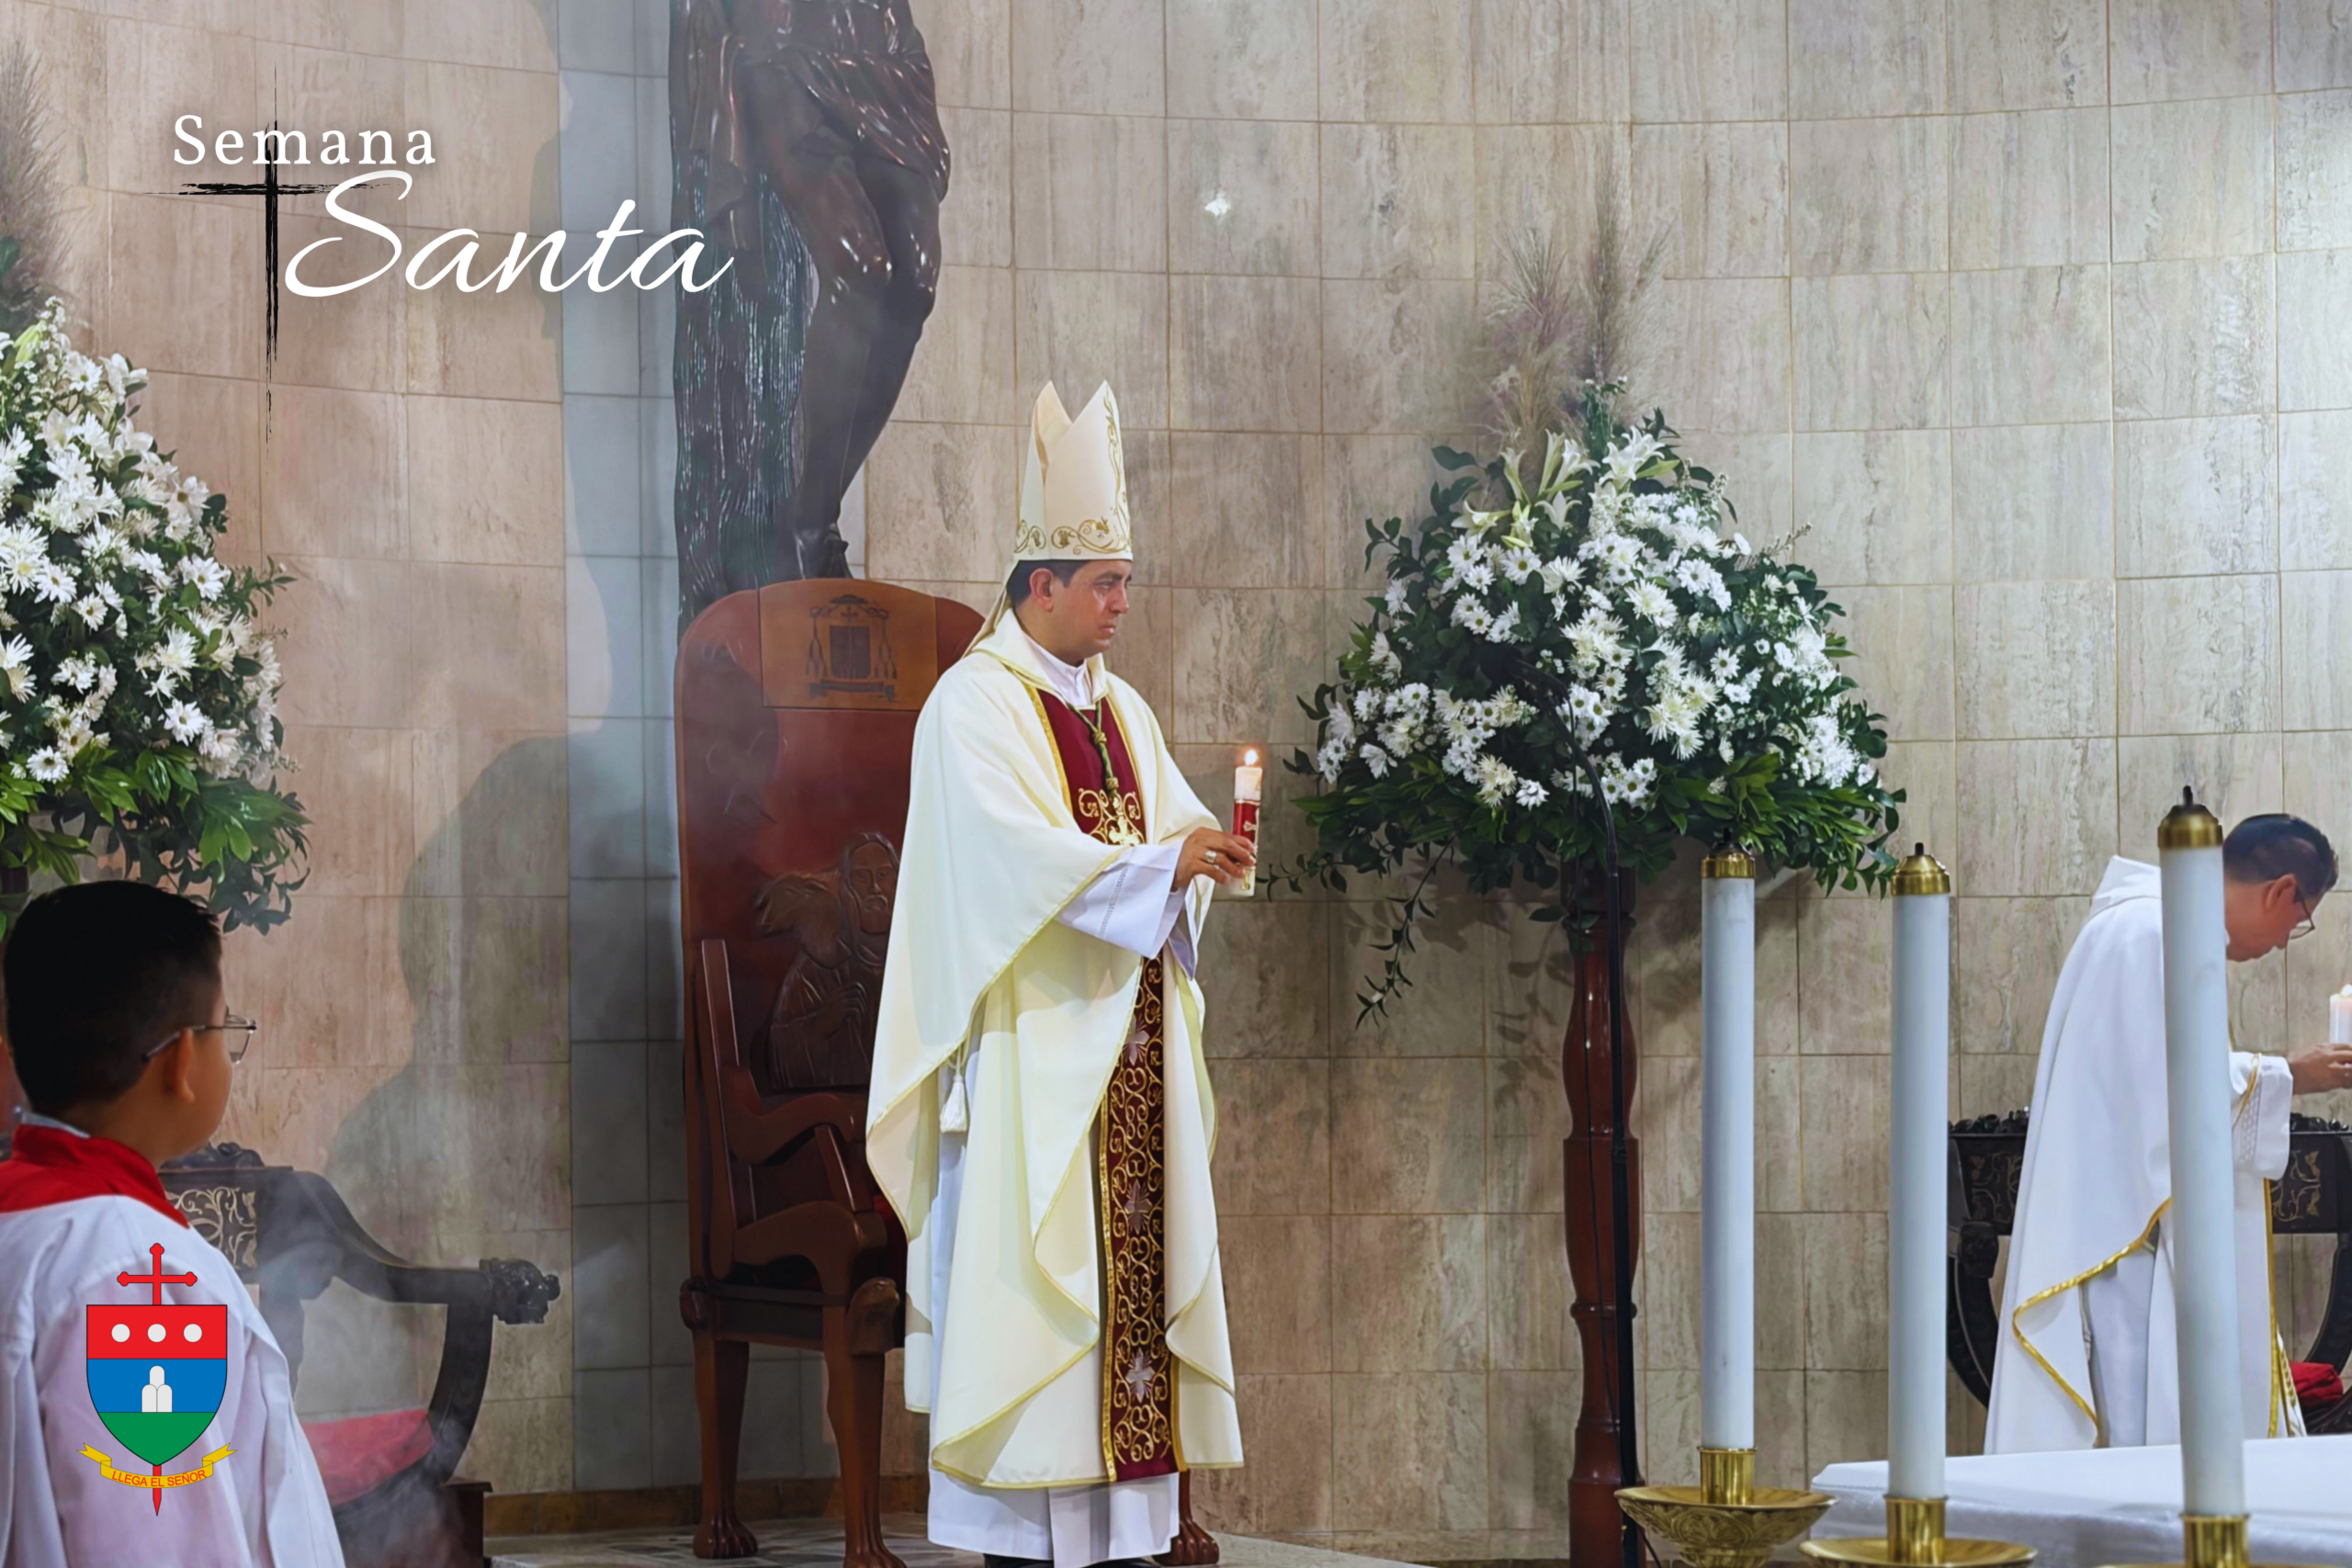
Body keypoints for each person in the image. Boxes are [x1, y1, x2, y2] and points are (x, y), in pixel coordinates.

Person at [866, 382, 1252, 1568]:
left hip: (1127, 1062)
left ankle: (1124, 1538)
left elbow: (1166, 843)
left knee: (1125, 1343)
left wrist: (1202, 861)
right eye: (1106, 583)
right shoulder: (971, 709)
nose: (1123, 603)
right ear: (1041, 585)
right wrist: (1159, 864)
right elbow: (1016, 864)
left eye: (1126, 581)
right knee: (1042, 1324)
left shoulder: (1120, 710)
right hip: (1033, 1074)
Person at [0, 882, 344, 1566]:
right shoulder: (137, 1275)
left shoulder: (28, 1224)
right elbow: (155, 1539)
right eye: (225, 1028)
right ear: (183, 1060)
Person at [1987, 814, 2352, 1455]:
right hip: (2129, 1245)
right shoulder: (2153, 933)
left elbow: (2164, 1081)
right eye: (2298, 922)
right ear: (2281, 890)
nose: (2284, 944)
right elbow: (2171, 1091)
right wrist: (2291, 1073)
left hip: (2130, 1227)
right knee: (2146, 1440)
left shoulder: (2154, 927)